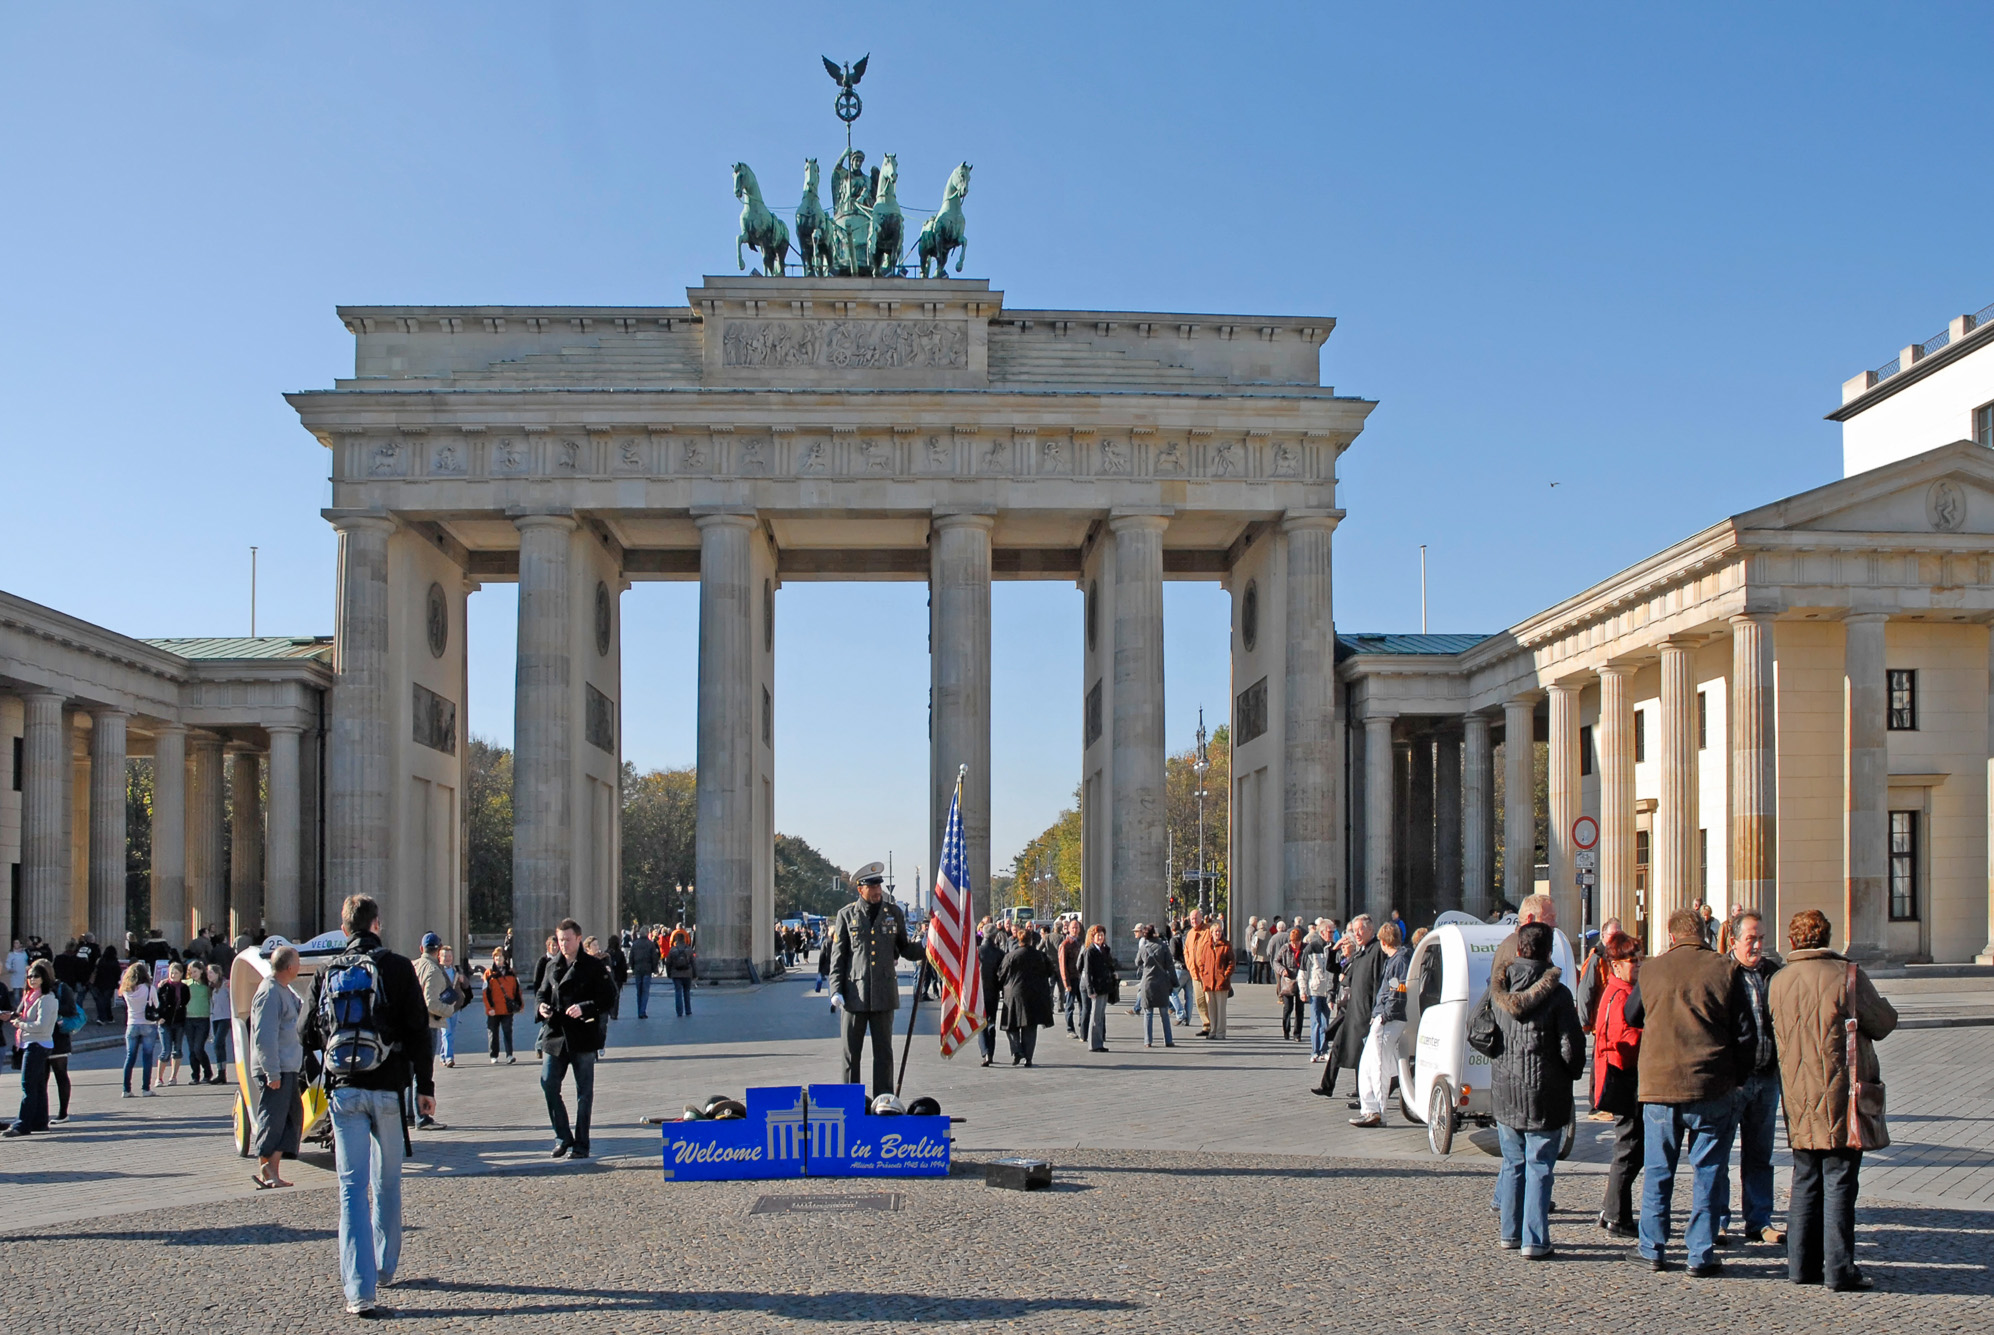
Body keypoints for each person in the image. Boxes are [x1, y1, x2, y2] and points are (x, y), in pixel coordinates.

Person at [299, 893, 437, 1318]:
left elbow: (306, 1034)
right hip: (390, 1090)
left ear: (344, 929)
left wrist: (316, 1082)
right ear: (377, 924)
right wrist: (426, 1087)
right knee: (387, 1183)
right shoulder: (396, 967)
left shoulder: (328, 971)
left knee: (350, 1190)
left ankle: (358, 1291)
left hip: (344, 1092)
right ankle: (386, 1266)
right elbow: (419, 1030)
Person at [1769, 908, 1898, 1292]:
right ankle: (1839, 1269)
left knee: (1805, 1177)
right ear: (1825, 937)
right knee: (1840, 1180)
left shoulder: (1778, 981)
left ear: (1793, 941)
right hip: (1841, 1094)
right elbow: (1883, 1022)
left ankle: (1800, 1266)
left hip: (1796, 1094)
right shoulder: (1847, 977)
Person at [1625, 907, 1754, 1277]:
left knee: (1658, 1170)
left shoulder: (1651, 969)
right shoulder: (1725, 969)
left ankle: (1653, 1247)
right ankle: (1700, 1252)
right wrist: (1738, 1076)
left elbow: (1633, 1015)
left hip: (1659, 1086)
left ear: (1671, 936)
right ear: (1704, 932)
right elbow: (1746, 1034)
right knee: (1708, 1170)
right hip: (1711, 1085)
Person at [1490, 922, 1586, 1258]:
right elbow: (1571, 1046)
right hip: (1546, 1091)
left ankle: (1509, 1233)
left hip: (1505, 1091)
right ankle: (1535, 1239)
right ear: (1548, 953)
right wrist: (1571, 1073)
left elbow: (1479, 1032)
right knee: (1540, 1165)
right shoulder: (1558, 995)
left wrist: (1499, 1059)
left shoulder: (1498, 989)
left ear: (1518, 950)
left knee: (1514, 1162)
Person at [1717, 909, 1785, 1247]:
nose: (1756, 945)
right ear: (1733, 941)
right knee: (1720, 1152)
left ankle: (1759, 1219)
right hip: (1732, 1081)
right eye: (1750, 939)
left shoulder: (1773, 973)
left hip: (1766, 1077)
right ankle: (1718, 1219)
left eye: (1760, 939)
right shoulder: (1721, 974)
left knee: (1760, 1154)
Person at [827, 862, 924, 1097]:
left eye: (879, 886)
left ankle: (884, 1099)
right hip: (854, 995)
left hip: (883, 993)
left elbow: (904, 949)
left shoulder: (894, 913)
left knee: (884, 1053)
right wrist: (835, 989)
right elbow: (838, 957)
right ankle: (851, 1101)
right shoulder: (846, 915)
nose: (878, 891)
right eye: (873, 887)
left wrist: (927, 947)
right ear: (861, 889)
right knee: (851, 1054)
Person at [536, 919, 617, 1160]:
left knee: (584, 1093)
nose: (563, 944)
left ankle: (581, 1144)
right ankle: (562, 1137)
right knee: (548, 1083)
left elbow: (609, 997)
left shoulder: (593, 966)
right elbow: (541, 992)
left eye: (568, 940)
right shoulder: (551, 966)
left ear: (579, 939)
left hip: (582, 1035)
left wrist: (585, 1007)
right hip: (555, 1034)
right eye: (560, 940)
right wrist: (541, 1007)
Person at [1592, 931, 1645, 1240]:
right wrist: (1650, 1036)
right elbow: (1621, 1040)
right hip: (1622, 1077)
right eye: (1630, 960)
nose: (1636, 965)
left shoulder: (1622, 989)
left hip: (1622, 1076)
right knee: (1629, 1149)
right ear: (1615, 965)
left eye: (1639, 959)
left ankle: (1611, 1209)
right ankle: (1616, 1214)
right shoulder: (1620, 993)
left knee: (1631, 1148)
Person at [250, 945, 305, 1190]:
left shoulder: (284, 990)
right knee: (273, 1119)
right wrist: (271, 1071)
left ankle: (273, 1168)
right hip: (276, 1068)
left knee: (291, 1119)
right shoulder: (269, 992)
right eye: (298, 962)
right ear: (290, 967)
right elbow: (265, 1036)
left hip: (289, 1066)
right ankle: (266, 1169)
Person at [1350, 920, 1410, 1127]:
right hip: (1384, 1016)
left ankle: (1378, 1111)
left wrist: (1385, 1014)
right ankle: (1370, 1108)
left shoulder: (1398, 961)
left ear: (1384, 942)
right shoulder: (1395, 960)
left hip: (1388, 1019)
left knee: (1378, 1066)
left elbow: (1397, 990)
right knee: (1368, 1064)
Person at [1320, 914, 1377, 1101]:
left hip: (1362, 1012)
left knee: (1360, 1053)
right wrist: (1333, 949)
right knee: (1338, 1047)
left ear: (1370, 930)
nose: (1357, 933)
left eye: (1360, 930)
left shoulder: (1370, 953)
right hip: (1347, 1011)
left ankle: (1363, 1093)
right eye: (1355, 930)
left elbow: (1375, 984)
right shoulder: (1357, 955)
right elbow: (1333, 968)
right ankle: (1327, 1086)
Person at [3, 960, 58, 1136]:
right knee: (38, 1085)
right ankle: (40, 1122)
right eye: (29, 977)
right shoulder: (30, 997)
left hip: (38, 1043)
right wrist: (14, 1017)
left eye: (36, 976)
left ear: (44, 978)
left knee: (28, 1085)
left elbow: (42, 1025)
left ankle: (23, 1124)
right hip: (30, 1043)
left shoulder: (46, 998)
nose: (32, 979)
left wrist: (20, 1024)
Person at [998, 926, 1056, 1067]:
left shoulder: (1011, 956)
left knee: (1011, 1025)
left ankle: (1016, 1050)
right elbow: (1050, 971)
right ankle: (1028, 1057)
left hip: (1013, 994)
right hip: (1034, 995)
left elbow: (1001, 975)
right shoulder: (1040, 956)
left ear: (1019, 940)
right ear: (1031, 941)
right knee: (1030, 1027)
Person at [118, 962, 159, 1097]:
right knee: (147, 1057)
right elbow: (156, 1004)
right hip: (148, 1023)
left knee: (130, 1057)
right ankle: (145, 1088)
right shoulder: (149, 988)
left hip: (132, 1024)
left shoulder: (126, 990)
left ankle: (126, 1089)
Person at [414, 933, 453, 1075]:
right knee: (423, 1073)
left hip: (410, 1024)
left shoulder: (412, 965)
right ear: (439, 949)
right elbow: (431, 1003)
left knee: (409, 1074)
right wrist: (448, 1009)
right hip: (428, 1025)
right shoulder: (434, 970)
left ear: (421, 948)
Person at [1135, 924, 1176, 1049]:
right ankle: (1168, 1040)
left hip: (1148, 983)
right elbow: (1170, 965)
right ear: (1155, 933)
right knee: (1164, 1012)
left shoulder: (1144, 947)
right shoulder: (1163, 946)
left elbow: (1137, 962)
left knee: (1148, 1013)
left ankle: (1148, 1041)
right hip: (1162, 983)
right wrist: (1174, 982)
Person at [1079, 924, 1117, 1052]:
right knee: (1095, 1016)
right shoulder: (1090, 951)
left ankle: (1099, 1042)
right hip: (1096, 986)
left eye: (1102, 935)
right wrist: (1090, 990)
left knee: (1100, 1016)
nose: (1101, 937)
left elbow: (1109, 964)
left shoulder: (1105, 949)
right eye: (1098, 935)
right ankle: (1094, 1044)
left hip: (1104, 986)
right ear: (1093, 937)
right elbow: (1088, 971)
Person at [1198, 919, 1237, 1040]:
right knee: (1211, 1008)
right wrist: (1203, 974)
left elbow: (1232, 962)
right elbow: (1201, 961)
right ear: (1211, 932)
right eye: (1215, 931)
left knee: (1221, 1009)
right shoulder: (1207, 946)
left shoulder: (1226, 945)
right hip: (1209, 981)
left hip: (1221, 982)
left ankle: (1220, 1032)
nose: (1217, 934)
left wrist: (1226, 974)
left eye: (1219, 931)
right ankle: (1212, 1031)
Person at [976, 924, 1008, 1066]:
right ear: (995, 936)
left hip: (979, 992)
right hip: (993, 991)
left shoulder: (977, 952)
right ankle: (991, 1052)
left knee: (981, 1022)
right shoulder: (999, 953)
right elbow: (1003, 974)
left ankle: (985, 1052)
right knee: (991, 1021)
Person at [483, 947, 521, 1064]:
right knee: (493, 1033)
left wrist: (520, 1005)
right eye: (496, 957)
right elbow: (485, 993)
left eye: (501, 956)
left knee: (507, 1031)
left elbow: (517, 991)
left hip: (507, 1008)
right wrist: (489, 1008)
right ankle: (493, 1055)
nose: (498, 959)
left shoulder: (511, 973)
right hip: (494, 1009)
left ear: (505, 959)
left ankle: (509, 1054)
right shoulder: (489, 973)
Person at [155, 962, 190, 1088]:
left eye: (176, 973)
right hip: (165, 1022)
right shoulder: (164, 986)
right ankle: (159, 1078)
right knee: (166, 1051)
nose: (173, 975)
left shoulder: (184, 988)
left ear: (181, 974)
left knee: (177, 1051)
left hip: (179, 1022)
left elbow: (185, 1002)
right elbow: (157, 1002)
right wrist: (158, 1017)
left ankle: (173, 1077)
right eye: (171, 972)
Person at [184, 960, 214, 1085]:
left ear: (201, 971)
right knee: (192, 1049)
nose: (193, 974)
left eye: (195, 971)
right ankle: (195, 1075)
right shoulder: (186, 984)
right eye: (191, 972)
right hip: (189, 1019)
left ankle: (208, 1073)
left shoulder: (208, 986)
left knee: (198, 1048)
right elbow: (174, 983)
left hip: (203, 1019)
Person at [1274, 927, 1306, 1042]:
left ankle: (1297, 1034)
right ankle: (1286, 1030)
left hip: (1301, 980)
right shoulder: (1285, 948)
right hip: (1288, 981)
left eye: (1297, 942)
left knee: (1300, 1009)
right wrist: (1282, 970)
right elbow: (1276, 961)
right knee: (1288, 1008)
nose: (1295, 945)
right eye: (1293, 942)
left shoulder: (1305, 948)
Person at [1057, 918, 1085, 1038]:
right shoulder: (1065, 945)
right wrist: (1065, 982)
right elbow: (1062, 965)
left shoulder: (1080, 943)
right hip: (1070, 978)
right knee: (1069, 1005)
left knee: (1083, 1004)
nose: (1075, 930)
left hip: (1080, 978)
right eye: (1073, 928)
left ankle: (1082, 1025)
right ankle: (1070, 1029)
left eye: (1077, 927)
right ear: (1068, 929)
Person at [627, 927, 659, 1020]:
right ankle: (642, 1011)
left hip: (638, 970)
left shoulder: (635, 944)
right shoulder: (650, 944)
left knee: (639, 991)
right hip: (647, 970)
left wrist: (632, 967)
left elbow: (631, 957)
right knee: (645, 991)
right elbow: (654, 958)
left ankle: (639, 1010)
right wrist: (654, 969)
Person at [665, 928, 697, 1016]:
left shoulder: (673, 950)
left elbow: (668, 963)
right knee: (687, 992)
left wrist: (669, 973)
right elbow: (693, 962)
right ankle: (688, 1010)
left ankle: (679, 1011)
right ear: (684, 939)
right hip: (687, 973)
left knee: (678, 992)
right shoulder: (689, 949)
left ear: (676, 940)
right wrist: (694, 974)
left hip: (676, 973)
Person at [208, 964, 232, 1082]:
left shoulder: (226, 984)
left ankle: (222, 1072)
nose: (209, 975)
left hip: (225, 1017)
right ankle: (221, 1073)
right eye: (208, 973)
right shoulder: (211, 987)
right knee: (219, 1046)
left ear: (218, 973)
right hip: (215, 1018)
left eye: (211, 972)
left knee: (217, 1043)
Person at [91, 943, 120, 1025]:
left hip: (99, 983)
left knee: (100, 1001)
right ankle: (108, 1017)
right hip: (110, 984)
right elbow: (117, 974)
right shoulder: (115, 962)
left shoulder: (100, 960)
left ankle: (102, 1018)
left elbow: (96, 970)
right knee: (107, 1001)